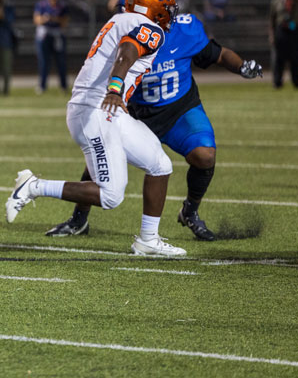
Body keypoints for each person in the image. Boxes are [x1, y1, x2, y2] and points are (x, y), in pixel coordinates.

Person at [5, 0, 184, 256]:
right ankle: (34, 186)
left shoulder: (121, 18)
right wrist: (115, 89)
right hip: (98, 109)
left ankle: (148, 240)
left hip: (104, 109)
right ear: (155, 8)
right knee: (111, 195)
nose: (170, 14)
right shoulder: (150, 28)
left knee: (160, 164)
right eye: (167, 8)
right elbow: (126, 53)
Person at [46, 12, 263, 240]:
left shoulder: (183, 31)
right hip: (139, 112)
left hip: (179, 108)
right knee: (99, 159)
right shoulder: (131, 32)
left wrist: (241, 67)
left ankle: (190, 211)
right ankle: (79, 219)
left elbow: (218, 54)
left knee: (205, 156)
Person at [33, 0, 69, 94]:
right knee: (44, 62)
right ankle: (42, 85)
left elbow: (65, 22)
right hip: (44, 36)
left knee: (61, 62)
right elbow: (36, 19)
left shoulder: (62, 5)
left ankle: (63, 86)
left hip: (57, 35)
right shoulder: (41, 4)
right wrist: (45, 19)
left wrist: (55, 19)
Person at [269, 0, 298, 89]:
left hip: (295, 31)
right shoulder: (276, 1)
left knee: (296, 58)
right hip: (281, 31)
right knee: (279, 58)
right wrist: (271, 35)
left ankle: (296, 81)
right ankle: (277, 81)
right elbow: (271, 20)